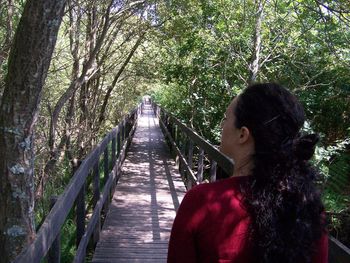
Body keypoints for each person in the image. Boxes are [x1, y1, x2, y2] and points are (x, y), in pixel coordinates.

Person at [167, 83, 328, 263]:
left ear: (243, 134)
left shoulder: (200, 201)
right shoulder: (307, 205)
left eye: (226, 119)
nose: (222, 126)